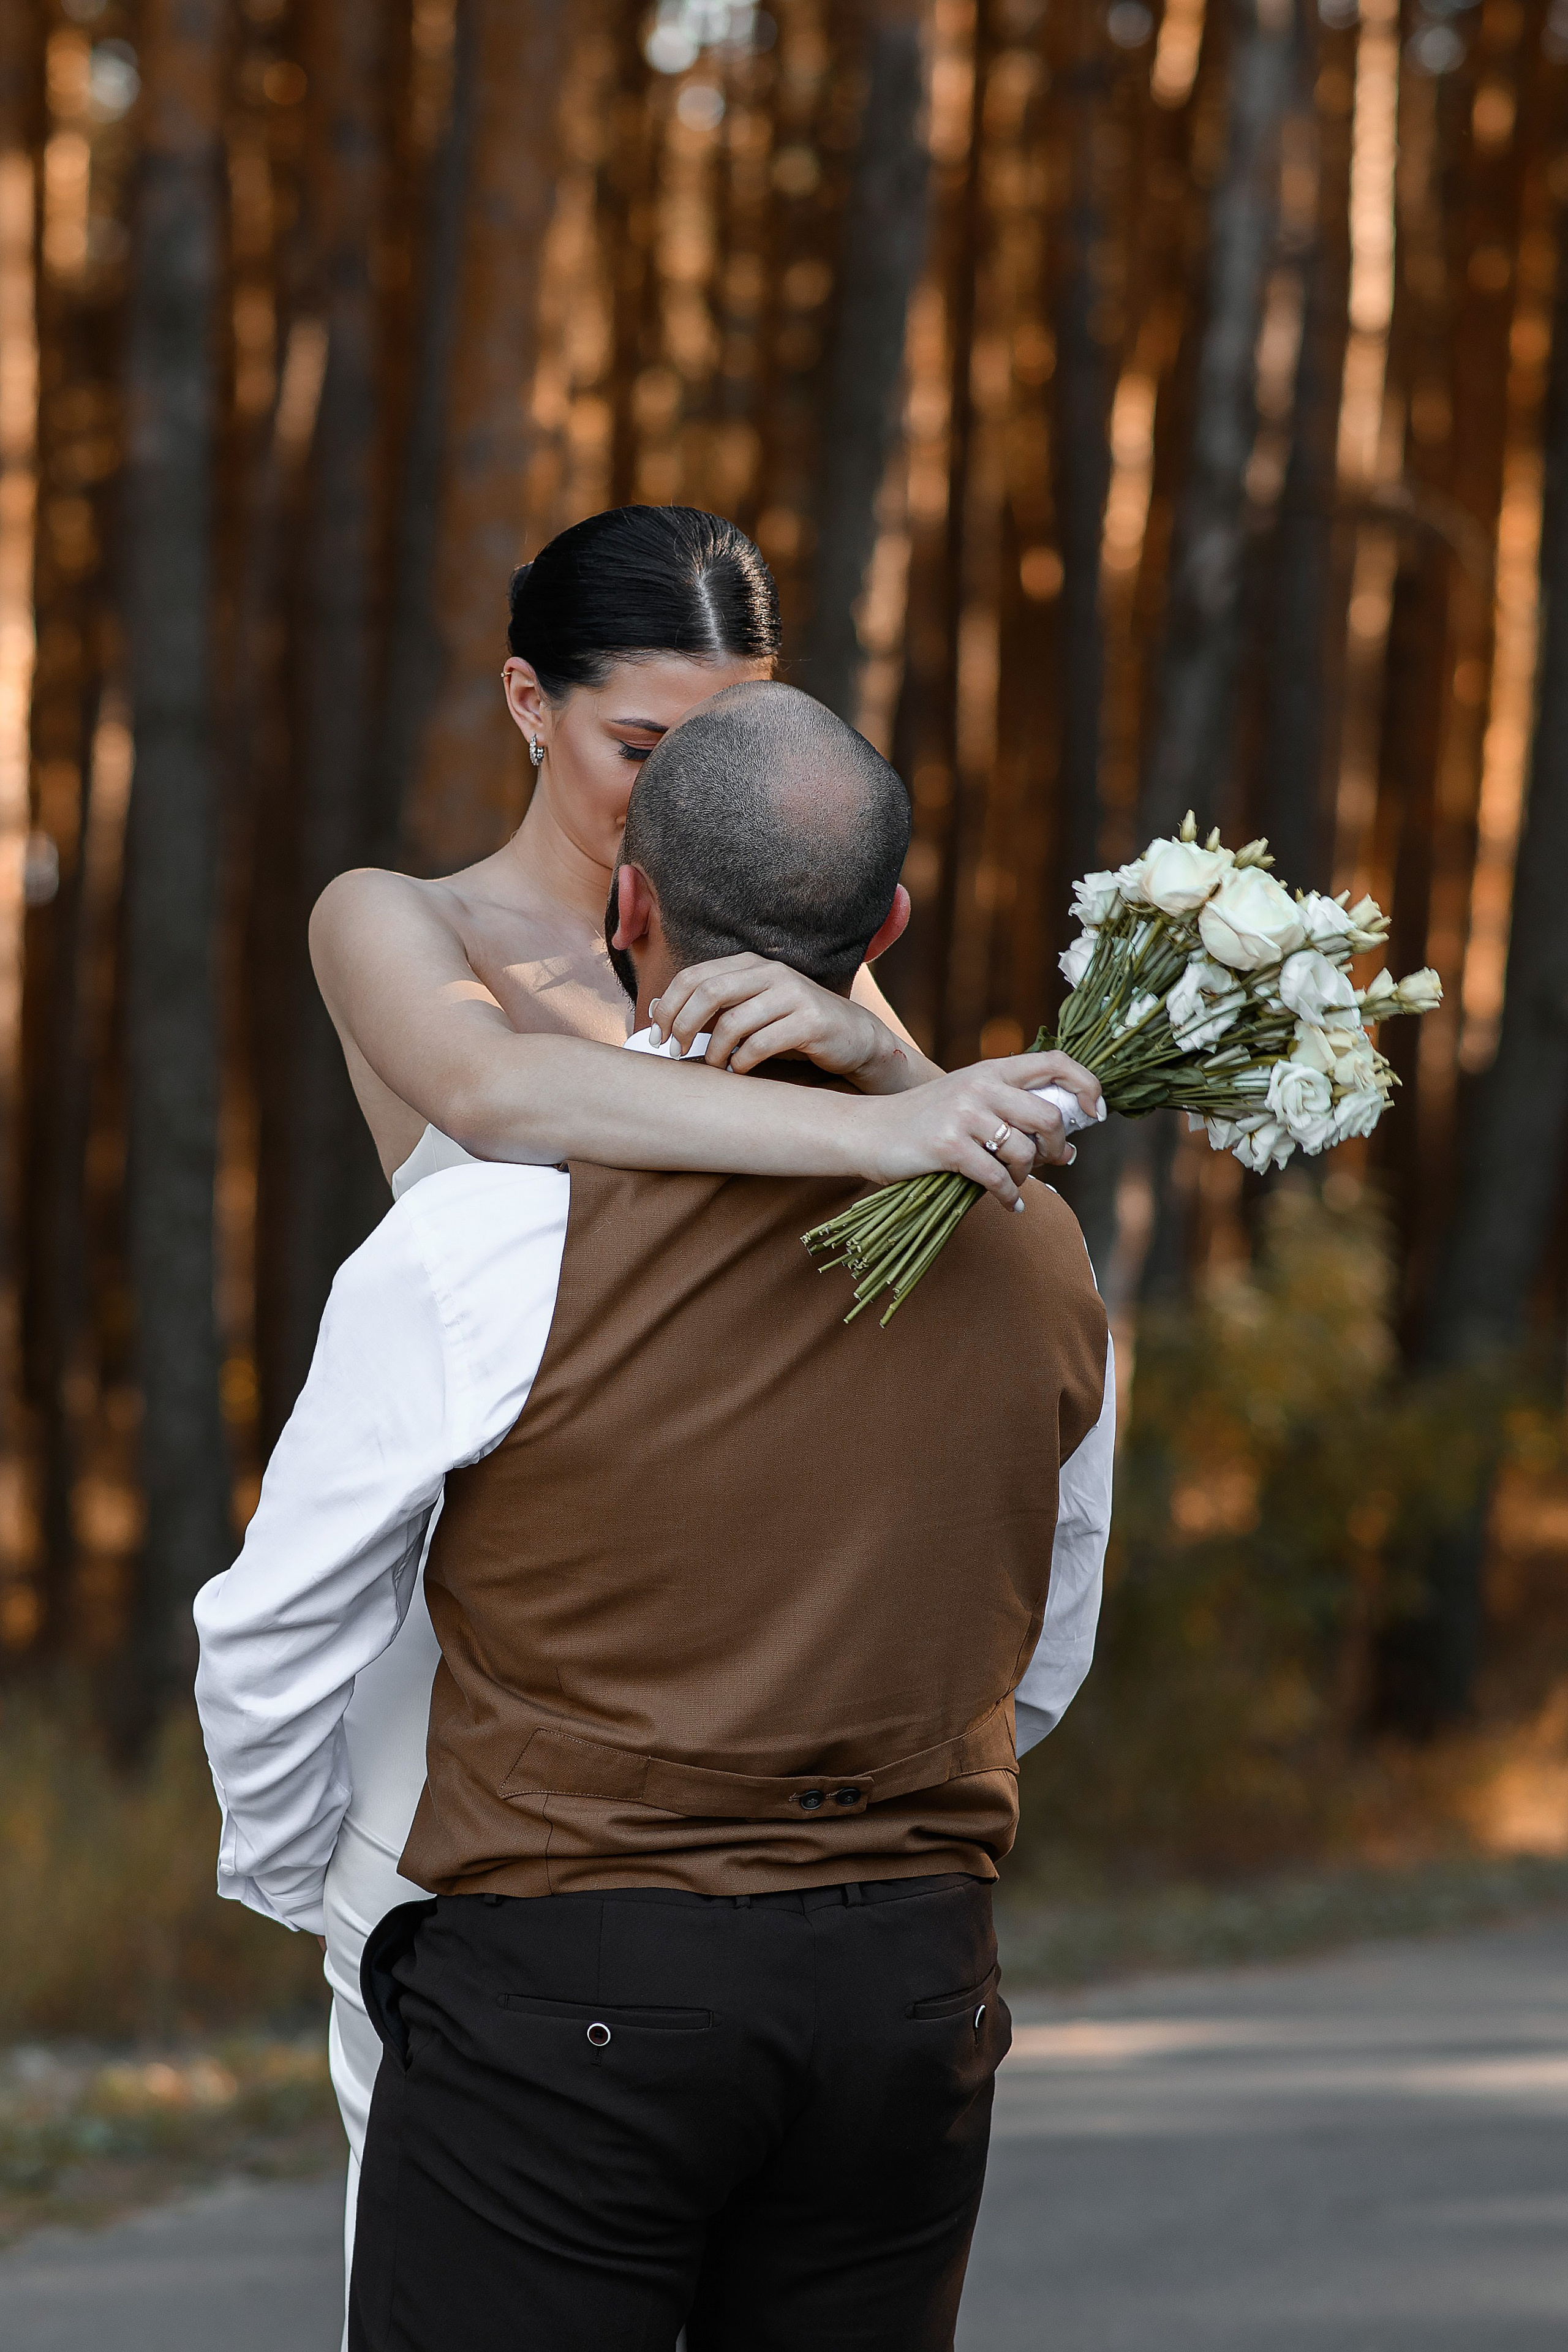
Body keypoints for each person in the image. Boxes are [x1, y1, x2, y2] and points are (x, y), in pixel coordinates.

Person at [195, 679, 1115, 2350]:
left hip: (571, 1981)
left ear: (631, 909)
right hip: (910, 1984)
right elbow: (1042, 1636)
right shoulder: (1037, 1248)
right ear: (888, 924)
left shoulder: (496, 1229)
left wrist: (307, 1891)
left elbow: (275, 1626)